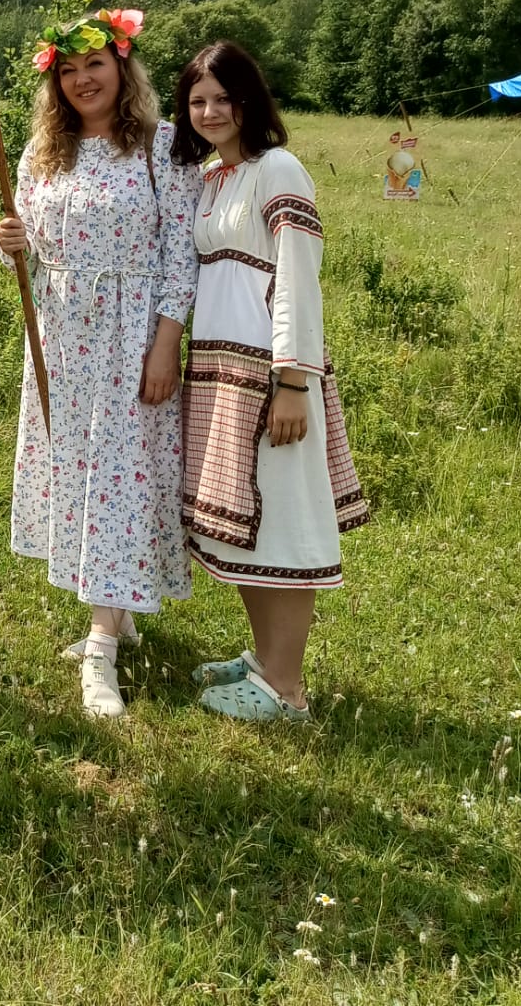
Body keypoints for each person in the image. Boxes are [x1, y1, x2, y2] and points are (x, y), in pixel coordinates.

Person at [0, 9, 200, 719]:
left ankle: (100, 649)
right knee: (83, 478)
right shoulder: (40, 153)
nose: (83, 80)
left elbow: (180, 253)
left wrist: (165, 342)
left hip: (129, 337)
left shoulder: (161, 148)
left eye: (95, 66)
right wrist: (9, 240)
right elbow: (25, 247)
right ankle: (117, 609)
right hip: (59, 339)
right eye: (69, 70)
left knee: (120, 477)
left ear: (121, 67)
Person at [172, 42, 368, 721]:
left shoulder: (276, 168)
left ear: (249, 100)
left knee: (280, 520)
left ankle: (287, 690)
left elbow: (295, 279)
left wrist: (290, 380)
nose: (209, 111)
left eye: (222, 98)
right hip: (220, 375)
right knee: (243, 526)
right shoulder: (211, 176)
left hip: (268, 376)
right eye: (197, 100)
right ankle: (264, 661)